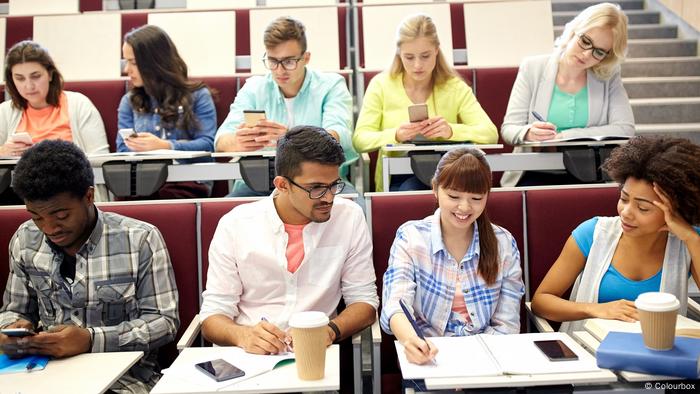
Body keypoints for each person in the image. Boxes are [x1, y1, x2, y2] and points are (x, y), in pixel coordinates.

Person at [0, 140, 179, 392]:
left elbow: (164, 322)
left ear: (89, 196)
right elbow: (14, 310)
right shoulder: (25, 238)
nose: (49, 228)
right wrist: (12, 328)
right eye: (37, 217)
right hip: (43, 373)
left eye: (61, 216)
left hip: (123, 379)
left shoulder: (139, 239)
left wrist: (90, 340)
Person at [201, 126, 377, 354]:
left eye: (334, 185)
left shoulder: (349, 217)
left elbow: (365, 302)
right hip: (247, 356)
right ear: (282, 185)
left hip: (315, 354)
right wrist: (243, 335)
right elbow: (212, 316)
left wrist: (330, 330)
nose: (329, 197)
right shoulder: (235, 224)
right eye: (316, 188)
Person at [532, 136, 700, 334]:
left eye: (643, 208)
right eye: (624, 198)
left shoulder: (688, 241)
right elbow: (541, 301)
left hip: (660, 353)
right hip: (590, 350)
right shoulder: (592, 233)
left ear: (674, 210)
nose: (626, 212)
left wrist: (692, 239)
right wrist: (597, 309)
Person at [381, 147, 524, 365]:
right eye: (454, 196)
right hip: (431, 356)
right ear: (435, 189)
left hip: (488, 359)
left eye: (476, 198)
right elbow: (395, 304)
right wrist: (411, 340)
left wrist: (475, 366)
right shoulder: (411, 237)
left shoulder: (502, 243)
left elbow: (507, 325)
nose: (464, 207)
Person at [353, 14, 497, 192]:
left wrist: (451, 131)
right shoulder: (381, 85)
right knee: (414, 190)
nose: (417, 65)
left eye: (425, 56)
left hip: (447, 175)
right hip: (397, 176)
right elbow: (360, 139)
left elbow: (490, 133)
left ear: (437, 50)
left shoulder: (455, 87)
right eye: (409, 57)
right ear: (399, 54)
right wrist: (396, 134)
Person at [215, 17, 356, 197]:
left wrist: (292, 139)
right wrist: (240, 141)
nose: (280, 70)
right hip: (256, 184)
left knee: (356, 210)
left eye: (289, 62)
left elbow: (339, 136)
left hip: (320, 182)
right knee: (223, 217)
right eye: (273, 61)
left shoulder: (330, 85)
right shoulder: (254, 88)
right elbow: (220, 142)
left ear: (306, 58)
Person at [500, 2, 634, 187]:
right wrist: (528, 132)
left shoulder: (608, 77)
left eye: (599, 51)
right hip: (534, 170)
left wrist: (568, 135)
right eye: (585, 41)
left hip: (591, 173)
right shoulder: (533, 67)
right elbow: (508, 129)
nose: (587, 54)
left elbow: (625, 128)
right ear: (573, 30)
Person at [0, 40, 109, 203]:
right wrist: (2, 153)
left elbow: (101, 160)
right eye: (20, 78)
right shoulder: (5, 111)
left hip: (70, 190)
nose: (29, 86)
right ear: (11, 80)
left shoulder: (79, 104)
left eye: (35, 76)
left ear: (50, 74)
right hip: (19, 194)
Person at [118, 25, 216, 198]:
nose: (127, 70)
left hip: (188, 181)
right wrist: (140, 149)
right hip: (142, 182)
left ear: (154, 61)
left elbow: (208, 144)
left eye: (133, 62)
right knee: (127, 199)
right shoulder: (129, 101)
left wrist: (166, 147)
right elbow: (121, 150)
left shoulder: (198, 95)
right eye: (126, 62)